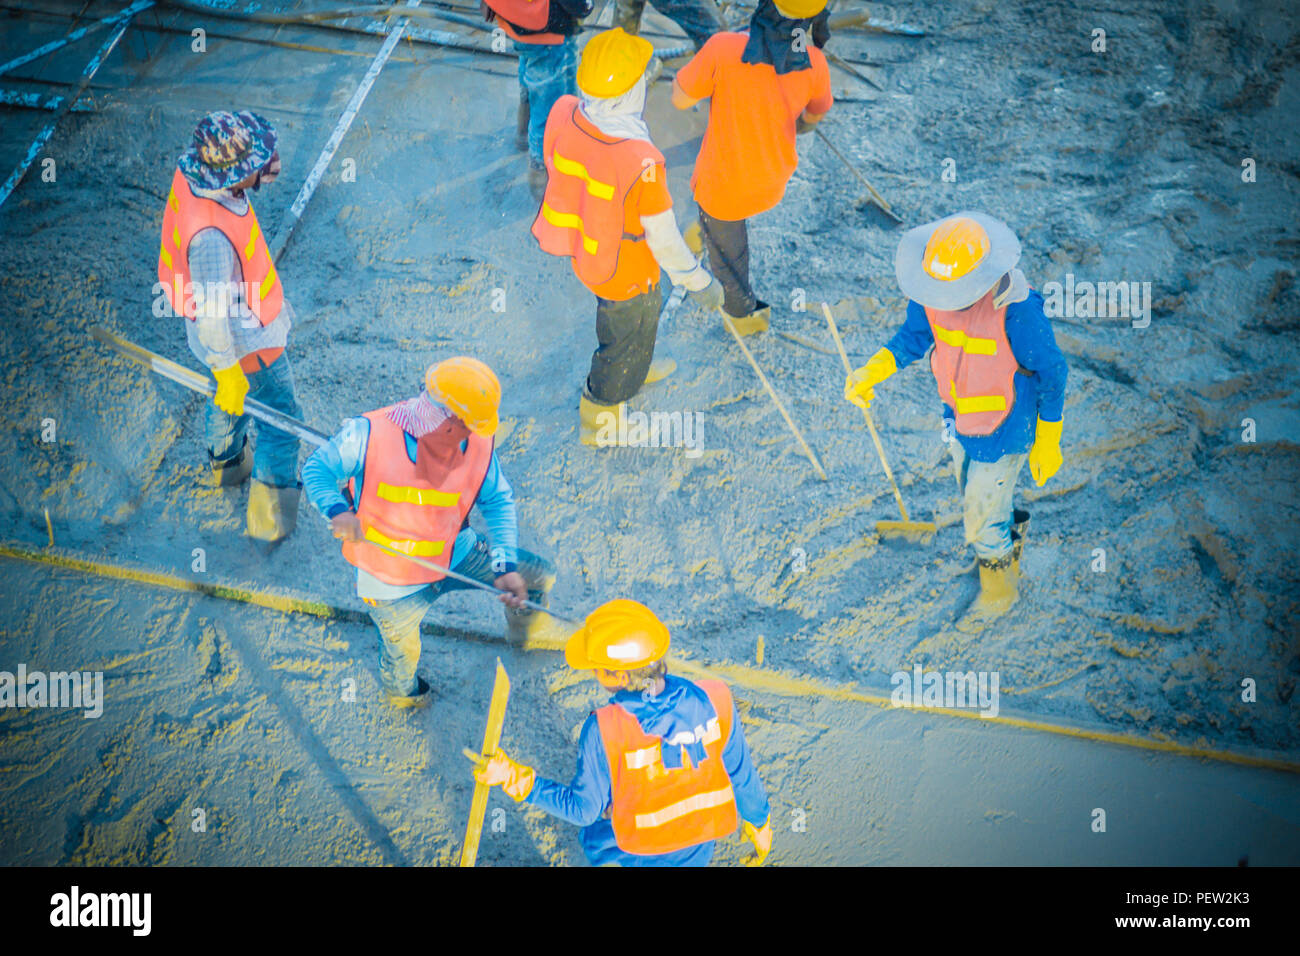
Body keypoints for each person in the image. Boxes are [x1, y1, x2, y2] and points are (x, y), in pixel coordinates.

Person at [845, 212, 1069, 631]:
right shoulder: (934, 291)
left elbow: (1053, 373)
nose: (940, 300)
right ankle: (1003, 534)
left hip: (1006, 426)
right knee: (972, 490)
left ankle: (999, 593)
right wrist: (871, 371)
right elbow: (913, 337)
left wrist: (1048, 438)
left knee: (981, 515)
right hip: (959, 416)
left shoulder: (1018, 312)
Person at [301, 358, 558, 707]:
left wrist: (504, 566)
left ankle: (526, 631)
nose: (474, 434)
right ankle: (406, 696)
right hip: (389, 582)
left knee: (538, 576)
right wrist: (338, 510)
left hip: (455, 553)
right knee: (401, 656)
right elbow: (317, 468)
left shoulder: (479, 442)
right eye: (469, 426)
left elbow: (497, 500)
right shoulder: (368, 434)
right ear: (449, 421)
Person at [471, 599, 773, 866]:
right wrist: (760, 824)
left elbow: (583, 811)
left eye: (598, 667)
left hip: (625, 852)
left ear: (620, 675)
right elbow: (741, 774)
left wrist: (512, 777)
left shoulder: (602, 729)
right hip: (693, 853)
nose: (591, 671)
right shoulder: (717, 700)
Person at [531, 28, 724, 445]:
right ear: (629, 91)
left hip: (591, 254)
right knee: (624, 335)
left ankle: (633, 371)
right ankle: (599, 413)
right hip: (628, 269)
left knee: (631, 327)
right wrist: (699, 281)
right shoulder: (643, 162)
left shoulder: (567, 112)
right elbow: (666, 241)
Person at [157, 109, 304, 542]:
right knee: (281, 418)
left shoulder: (194, 175)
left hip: (216, 337)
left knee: (229, 399)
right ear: (233, 176)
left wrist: (224, 375)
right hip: (246, 339)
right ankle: (269, 519)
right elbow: (214, 314)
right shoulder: (212, 243)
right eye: (253, 165)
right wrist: (227, 367)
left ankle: (228, 465)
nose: (262, 167)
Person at [671, 0, 832, 335]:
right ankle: (704, 232)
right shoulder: (814, 61)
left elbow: (680, 100)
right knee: (726, 225)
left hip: (722, 186)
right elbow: (813, 117)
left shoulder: (724, 47)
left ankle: (742, 315)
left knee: (729, 255)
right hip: (772, 179)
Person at [482, 0, 596, 198]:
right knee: (548, 108)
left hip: (516, 16)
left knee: (532, 71)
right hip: (547, 28)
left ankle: (523, 132)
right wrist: (584, 6)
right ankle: (542, 179)